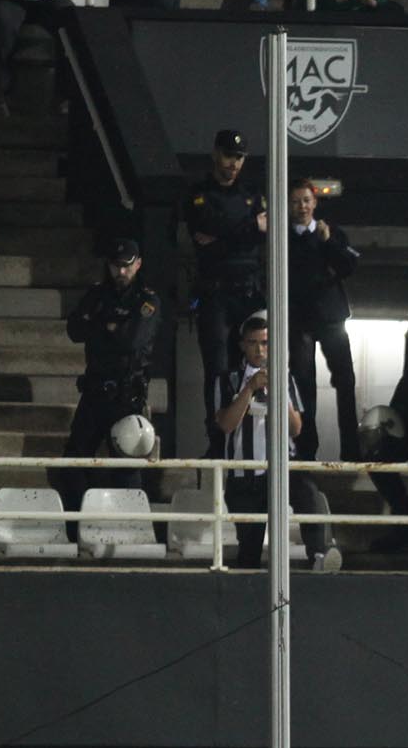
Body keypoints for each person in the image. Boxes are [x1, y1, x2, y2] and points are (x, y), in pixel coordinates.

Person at [210, 313, 334, 570]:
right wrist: (249, 388)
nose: (259, 349)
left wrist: (278, 391)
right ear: (243, 345)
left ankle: (321, 555)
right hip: (244, 473)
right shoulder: (227, 379)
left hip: (282, 466)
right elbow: (226, 424)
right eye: (253, 342)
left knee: (308, 494)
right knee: (250, 548)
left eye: (265, 343)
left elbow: (296, 428)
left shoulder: (286, 377)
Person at [57, 239, 163, 508]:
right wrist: (111, 328)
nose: (121, 273)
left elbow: (132, 341)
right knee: (74, 462)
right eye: (116, 267)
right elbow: (74, 331)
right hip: (94, 391)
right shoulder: (97, 294)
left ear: (138, 264)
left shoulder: (146, 299)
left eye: (127, 266)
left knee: (126, 464)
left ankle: (129, 529)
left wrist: (98, 325)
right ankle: (77, 525)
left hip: (127, 395)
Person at [186, 130, 266, 391]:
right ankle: (218, 431)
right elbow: (206, 232)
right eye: (229, 156)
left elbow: (263, 233)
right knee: (218, 371)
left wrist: (222, 238)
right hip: (215, 293)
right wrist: (251, 227)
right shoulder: (199, 194)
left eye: (239, 158)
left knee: (253, 367)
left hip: (249, 292)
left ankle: (246, 430)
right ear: (215, 154)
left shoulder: (251, 193)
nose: (234, 163)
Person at [285, 184, 359, 461]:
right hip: (299, 320)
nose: (302, 207)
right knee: (304, 386)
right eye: (295, 202)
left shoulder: (331, 233)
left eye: (306, 201)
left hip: (331, 318)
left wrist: (328, 242)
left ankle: (352, 450)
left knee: (346, 381)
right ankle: (306, 450)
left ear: (315, 203)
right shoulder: (283, 237)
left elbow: (349, 267)